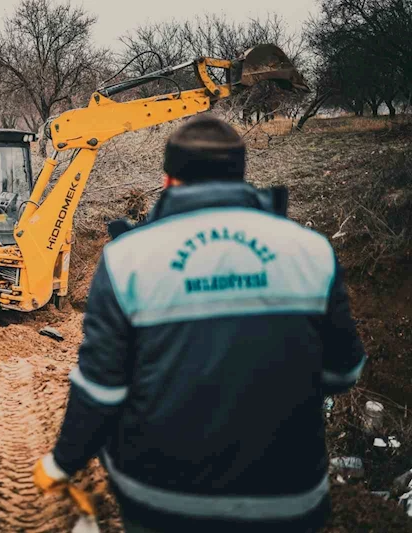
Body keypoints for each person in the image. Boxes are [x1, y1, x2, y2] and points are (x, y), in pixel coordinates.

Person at [33, 115, 367, 533]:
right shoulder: (311, 251)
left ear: (168, 180)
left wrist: (63, 462)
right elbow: (344, 371)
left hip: (163, 503)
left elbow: (101, 389)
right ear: (240, 175)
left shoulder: (127, 259)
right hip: (289, 499)